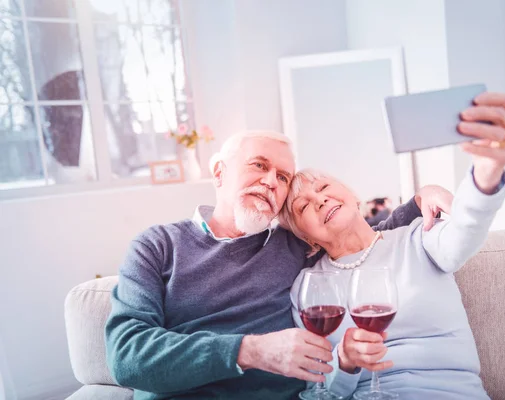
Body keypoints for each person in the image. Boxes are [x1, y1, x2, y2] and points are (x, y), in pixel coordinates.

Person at [104, 130, 452, 400]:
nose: (271, 181)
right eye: (259, 165)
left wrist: (421, 199)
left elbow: (358, 237)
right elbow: (127, 354)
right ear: (219, 172)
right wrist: (250, 351)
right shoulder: (157, 246)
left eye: (283, 177)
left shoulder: (292, 244)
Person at [282, 92, 505, 399]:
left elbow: (466, 230)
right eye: (303, 207)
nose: (319, 199)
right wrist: (345, 362)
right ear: (306, 236)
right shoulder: (308, 287)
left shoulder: (418, 238)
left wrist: (487, 171)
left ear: (353, 196)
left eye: (323, 187)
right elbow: (318, 390)